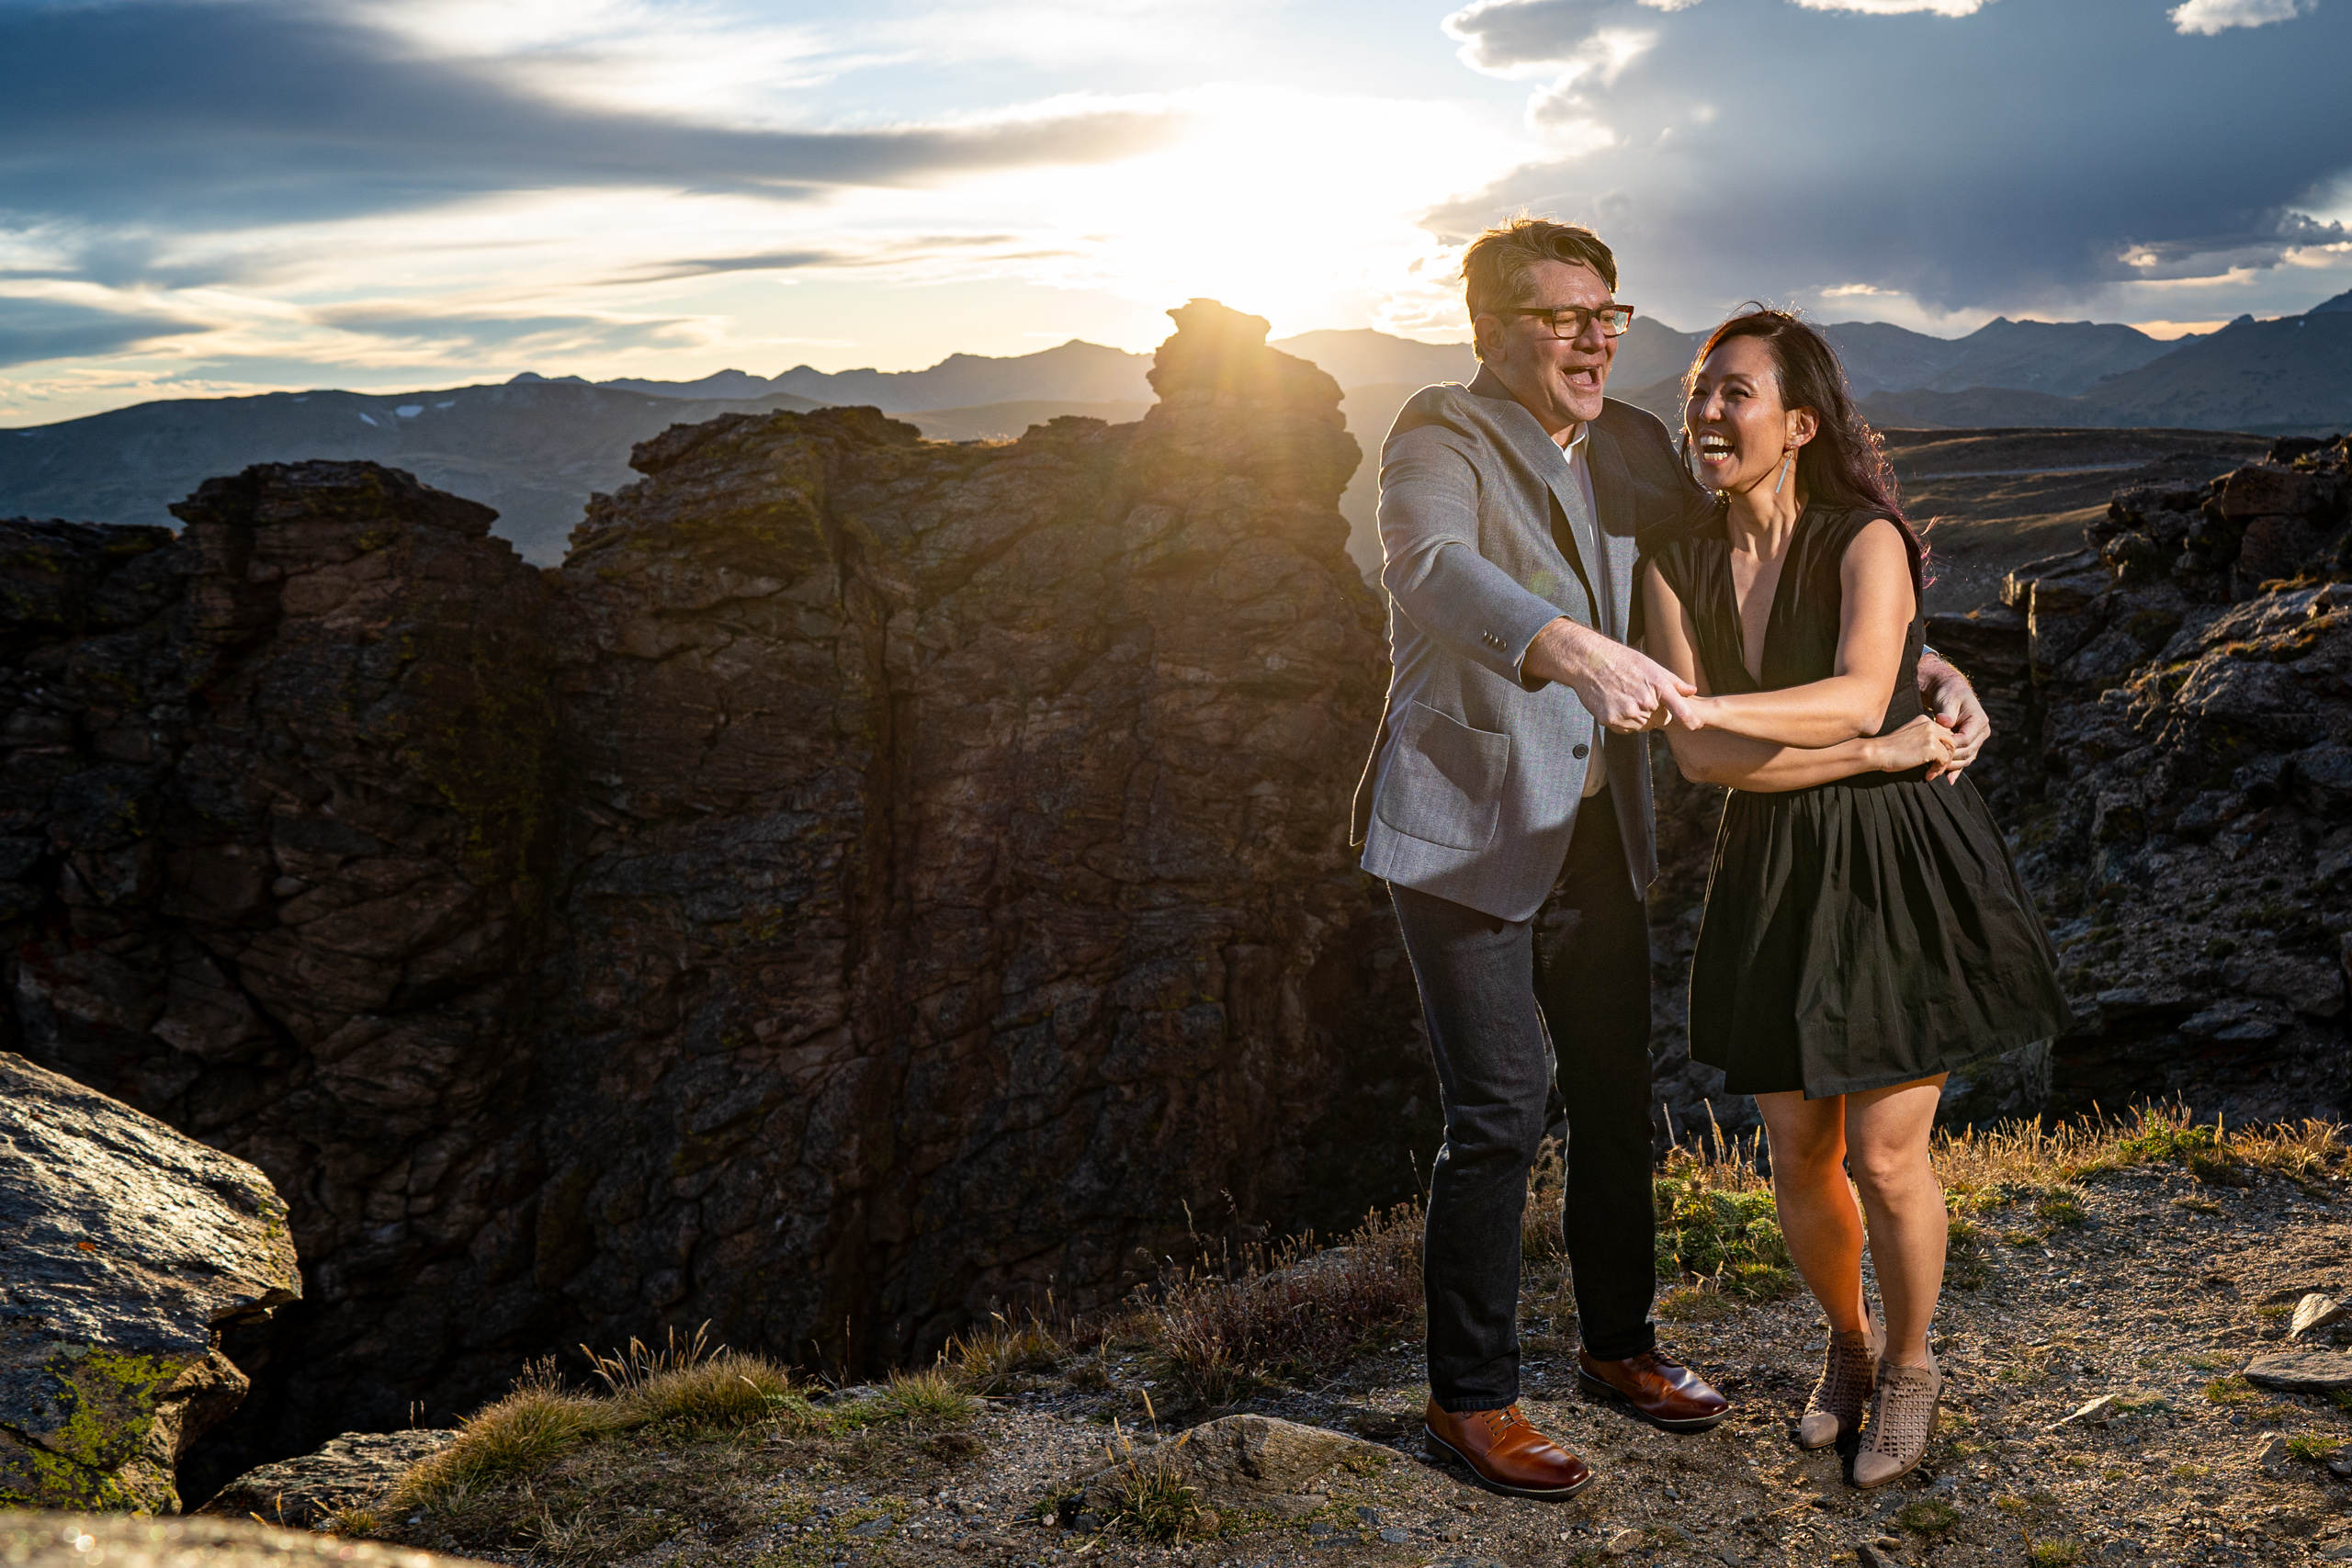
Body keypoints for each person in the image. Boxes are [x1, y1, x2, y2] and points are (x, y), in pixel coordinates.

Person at [1351, 218, 1992, 1500]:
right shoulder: (1438, 433)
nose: (1595, 337)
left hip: (1596, 826)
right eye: (1561, 316)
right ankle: (1470, 1398)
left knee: (1608, 1092)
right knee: (1499, 1106)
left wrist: (1916, 657)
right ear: (1491, 329)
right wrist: (1566, 643)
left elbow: (1759, 539)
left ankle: (1619, 1344)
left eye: (1609, 315)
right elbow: (1427, 567)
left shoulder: (1632, 446)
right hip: (1464, 825)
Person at [1641, 308, 2071, 1488]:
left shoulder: (1864, 537)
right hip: (1772, 860)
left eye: (1736, 393)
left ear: (1797, 424)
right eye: (1700, 391)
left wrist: (1749, 718)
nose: (1709, 412)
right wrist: (1875, 749)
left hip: (1892, 859)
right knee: (1796, 1155)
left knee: (1886, 1157)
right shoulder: (1668, 562)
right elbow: (1700, 765)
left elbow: (1851, 694)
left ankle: (1916, 1364)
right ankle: (1848, 1347)